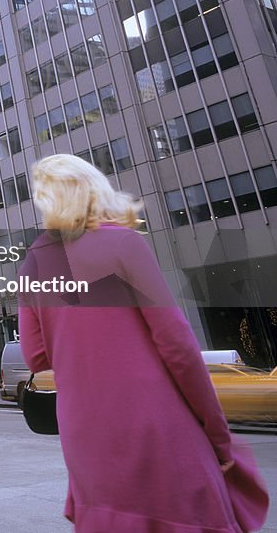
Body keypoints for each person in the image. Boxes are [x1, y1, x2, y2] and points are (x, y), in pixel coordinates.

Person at [19, 154, 267, 531]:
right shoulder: (121, 243)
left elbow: (36, 356)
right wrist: (217, 434)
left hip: (85, 437)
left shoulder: (33, 265)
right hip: (153, 424)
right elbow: (176, 344)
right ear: (93, 188)